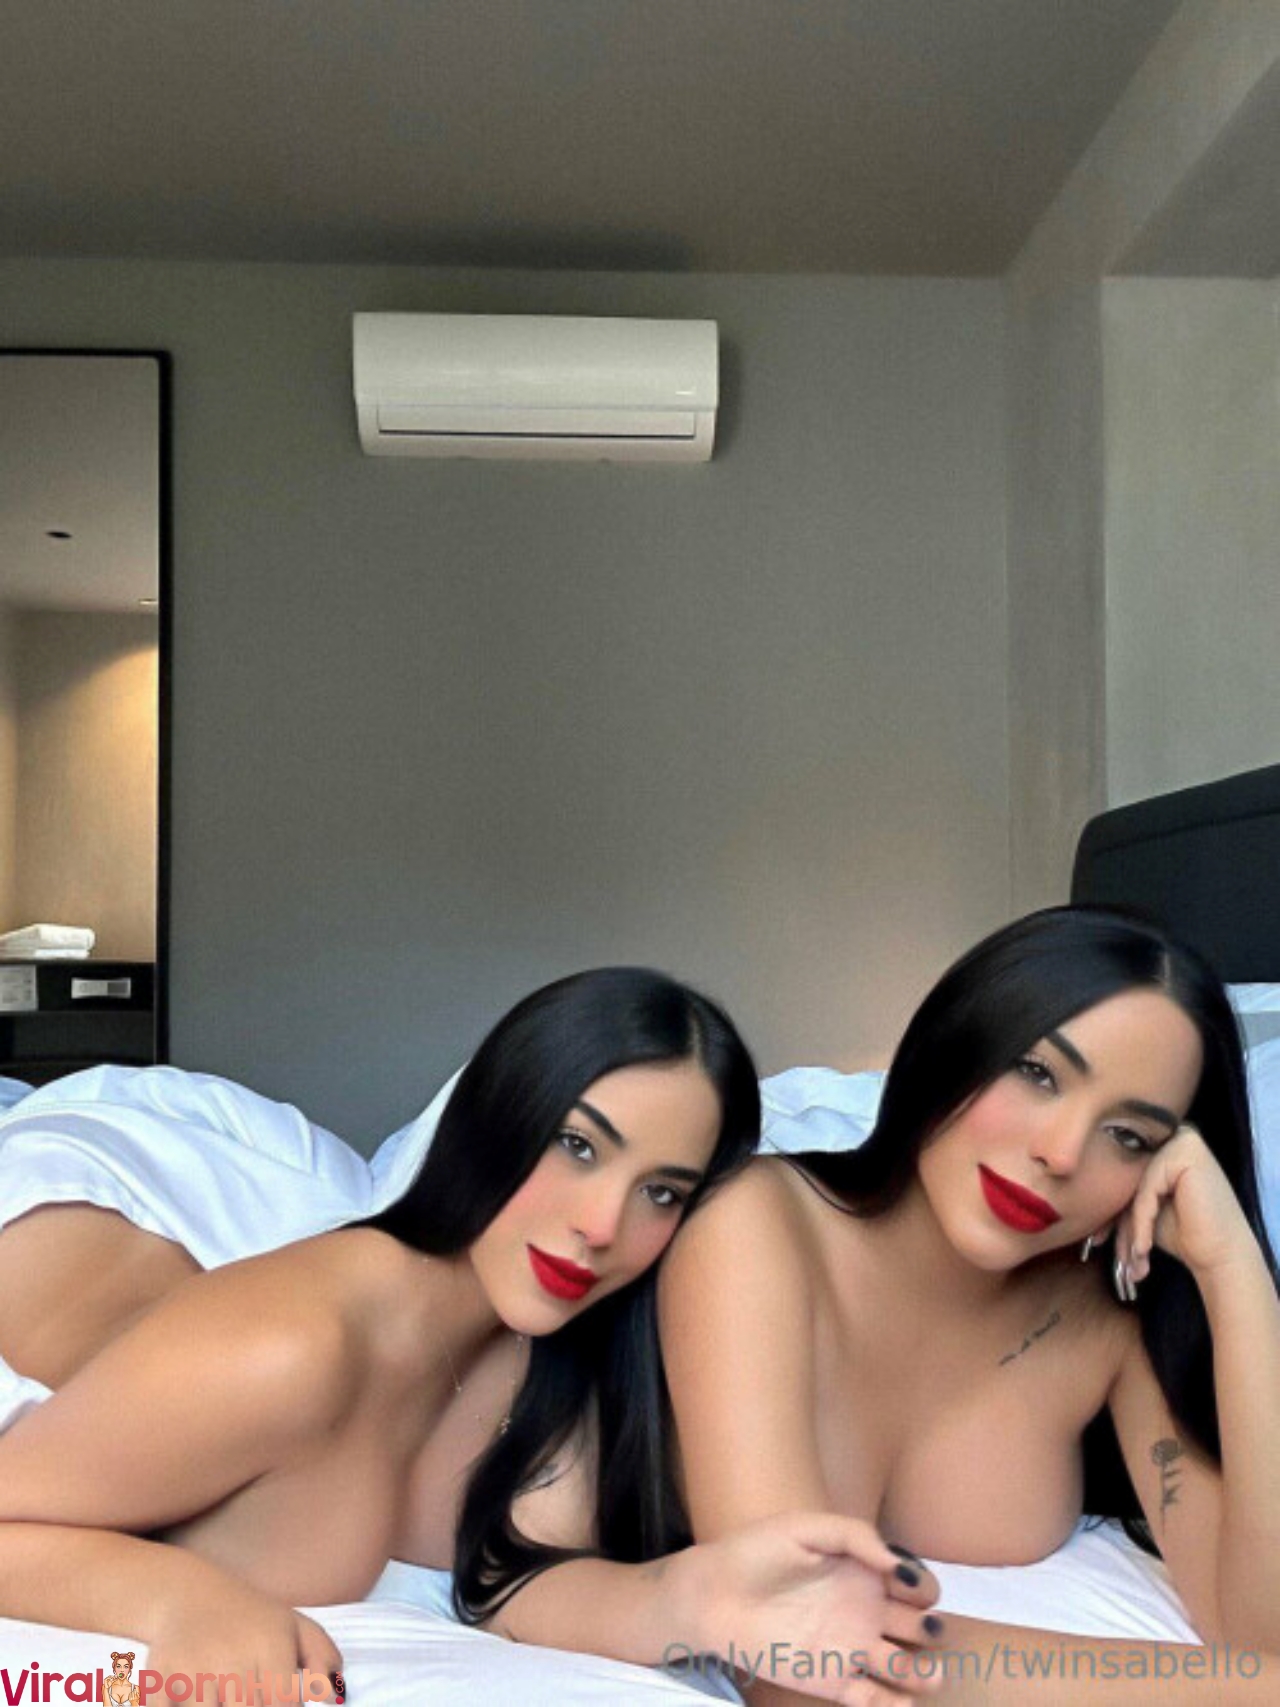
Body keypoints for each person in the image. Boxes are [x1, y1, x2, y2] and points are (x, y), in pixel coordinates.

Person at [0, 966, 940, 1707]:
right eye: (578, 1145)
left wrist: (693, 1596)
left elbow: (517, 1587)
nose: (602, 1226)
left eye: (661, 1191)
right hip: (65, 1252)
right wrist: (181, 1598)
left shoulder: (553, 1357)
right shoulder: (290, 1346)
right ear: (499, 1111)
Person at [657, 908, 1280, 1704]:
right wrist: (1235, 1692)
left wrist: (1231, 1269)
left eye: (1128, 1135)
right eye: (1039, 1073)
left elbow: (1263, 1629)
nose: (1061, 1152)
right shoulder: (755, 1223)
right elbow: (795, 1653)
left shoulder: (1105, 1316)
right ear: (958, 1042)